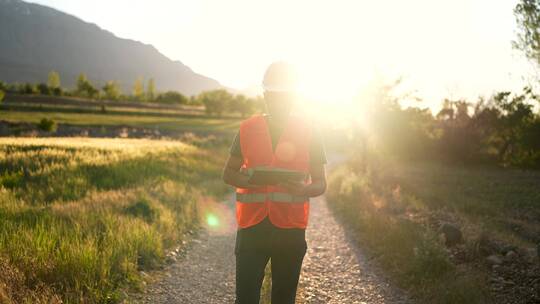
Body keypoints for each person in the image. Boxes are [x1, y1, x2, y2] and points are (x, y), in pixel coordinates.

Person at [222, 61, 327, 304]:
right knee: (245, 299)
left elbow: (321, 183)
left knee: (283, 299)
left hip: (290, 230)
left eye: (285, 97)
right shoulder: (248, 129)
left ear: (293, 97)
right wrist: (249, 180)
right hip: (252, 228)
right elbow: (228, 174)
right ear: (265, 95)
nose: (280, 102)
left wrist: (304, 189)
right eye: (274, 96)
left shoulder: (309, 131)